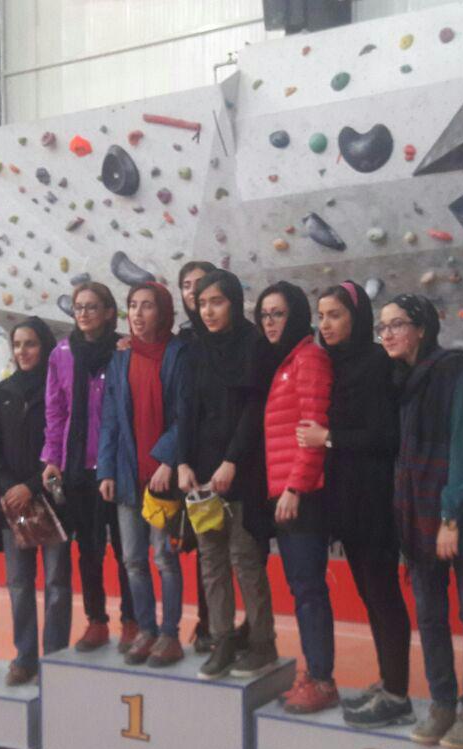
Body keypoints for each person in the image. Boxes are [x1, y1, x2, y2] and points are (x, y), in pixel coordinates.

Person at [381, 293, 463, 749]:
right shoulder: (402, 381)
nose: (388, 334)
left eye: (397, 324)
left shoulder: (458, 372)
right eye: (382, 327)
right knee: (430, 615)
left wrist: (450, 516)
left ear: (422, 328)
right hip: (420, 519)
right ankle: (442, 704)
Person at [296, 282, 414, 726]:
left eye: (335, 315)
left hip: (374, 501)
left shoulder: (377, 364)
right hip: (346, 499)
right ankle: (389, 682)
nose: (325, 324)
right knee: (369, 593)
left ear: (356, 317)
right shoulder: (333, 363)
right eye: (321, 316)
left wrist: (328, 438)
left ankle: (398, 693)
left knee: (383, 595)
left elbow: (385, 436)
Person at [177, 270, 277, 680]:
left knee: (244, 558)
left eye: (216, 302)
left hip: (243, 471)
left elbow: (255, 408)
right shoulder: (196, 349)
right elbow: (186, 410)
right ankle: (221, 640)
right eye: (202, 303)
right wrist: (183, 462)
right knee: (211, 561)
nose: (208, 311)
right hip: (202, 474)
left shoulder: (253, 344)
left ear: (234, 303)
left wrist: (232, 460)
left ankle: (262, 642)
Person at [255, 281, 339, 713]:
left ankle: (322, 679)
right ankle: (315, 672)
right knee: (301, 587)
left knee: (309, 590)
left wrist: (294, 488)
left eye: (278, 314)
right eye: (265, 315)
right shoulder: (284, 360)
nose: (270, 322)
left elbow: (313, 429)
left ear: (296, 316)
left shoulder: (309, 359)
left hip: (303, 494)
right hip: (283, 492)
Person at [41, 282, 138, 651]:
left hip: (118, 465)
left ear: (109, 312)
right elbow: (56, 411)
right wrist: (53, 458)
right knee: (89, 549)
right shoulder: (62, 353)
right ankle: (97, 621)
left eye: (92, 307)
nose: (83, 313)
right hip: (78, 468)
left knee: (127, 549)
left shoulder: (124, 350)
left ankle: (133, 620)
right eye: (78, 307)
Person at [97, 282, 187, 666]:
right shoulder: (121, 358)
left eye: (146, 306)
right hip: (127, 474)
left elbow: (186, 414)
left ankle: (170, 635)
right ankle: (146, 629)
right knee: (133, 559)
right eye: (132, 305)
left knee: (164, 558)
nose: (137, 313)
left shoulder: (178, 354)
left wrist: (167, 460)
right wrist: (106, 470)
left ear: (162, 312)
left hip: (162, 477)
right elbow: (110, 421)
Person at [0, 318, 71, 685]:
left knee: (57, 583)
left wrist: (32, 487)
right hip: (12, 505)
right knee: (19, 583)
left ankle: (56, 657)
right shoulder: (1, 393)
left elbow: (65, 444)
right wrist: (9, 488)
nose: (23, 351)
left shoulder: (58, 388)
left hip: (51, 500)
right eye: (17, 344)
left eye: (30, 343)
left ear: (45, 346)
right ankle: (25, 657)